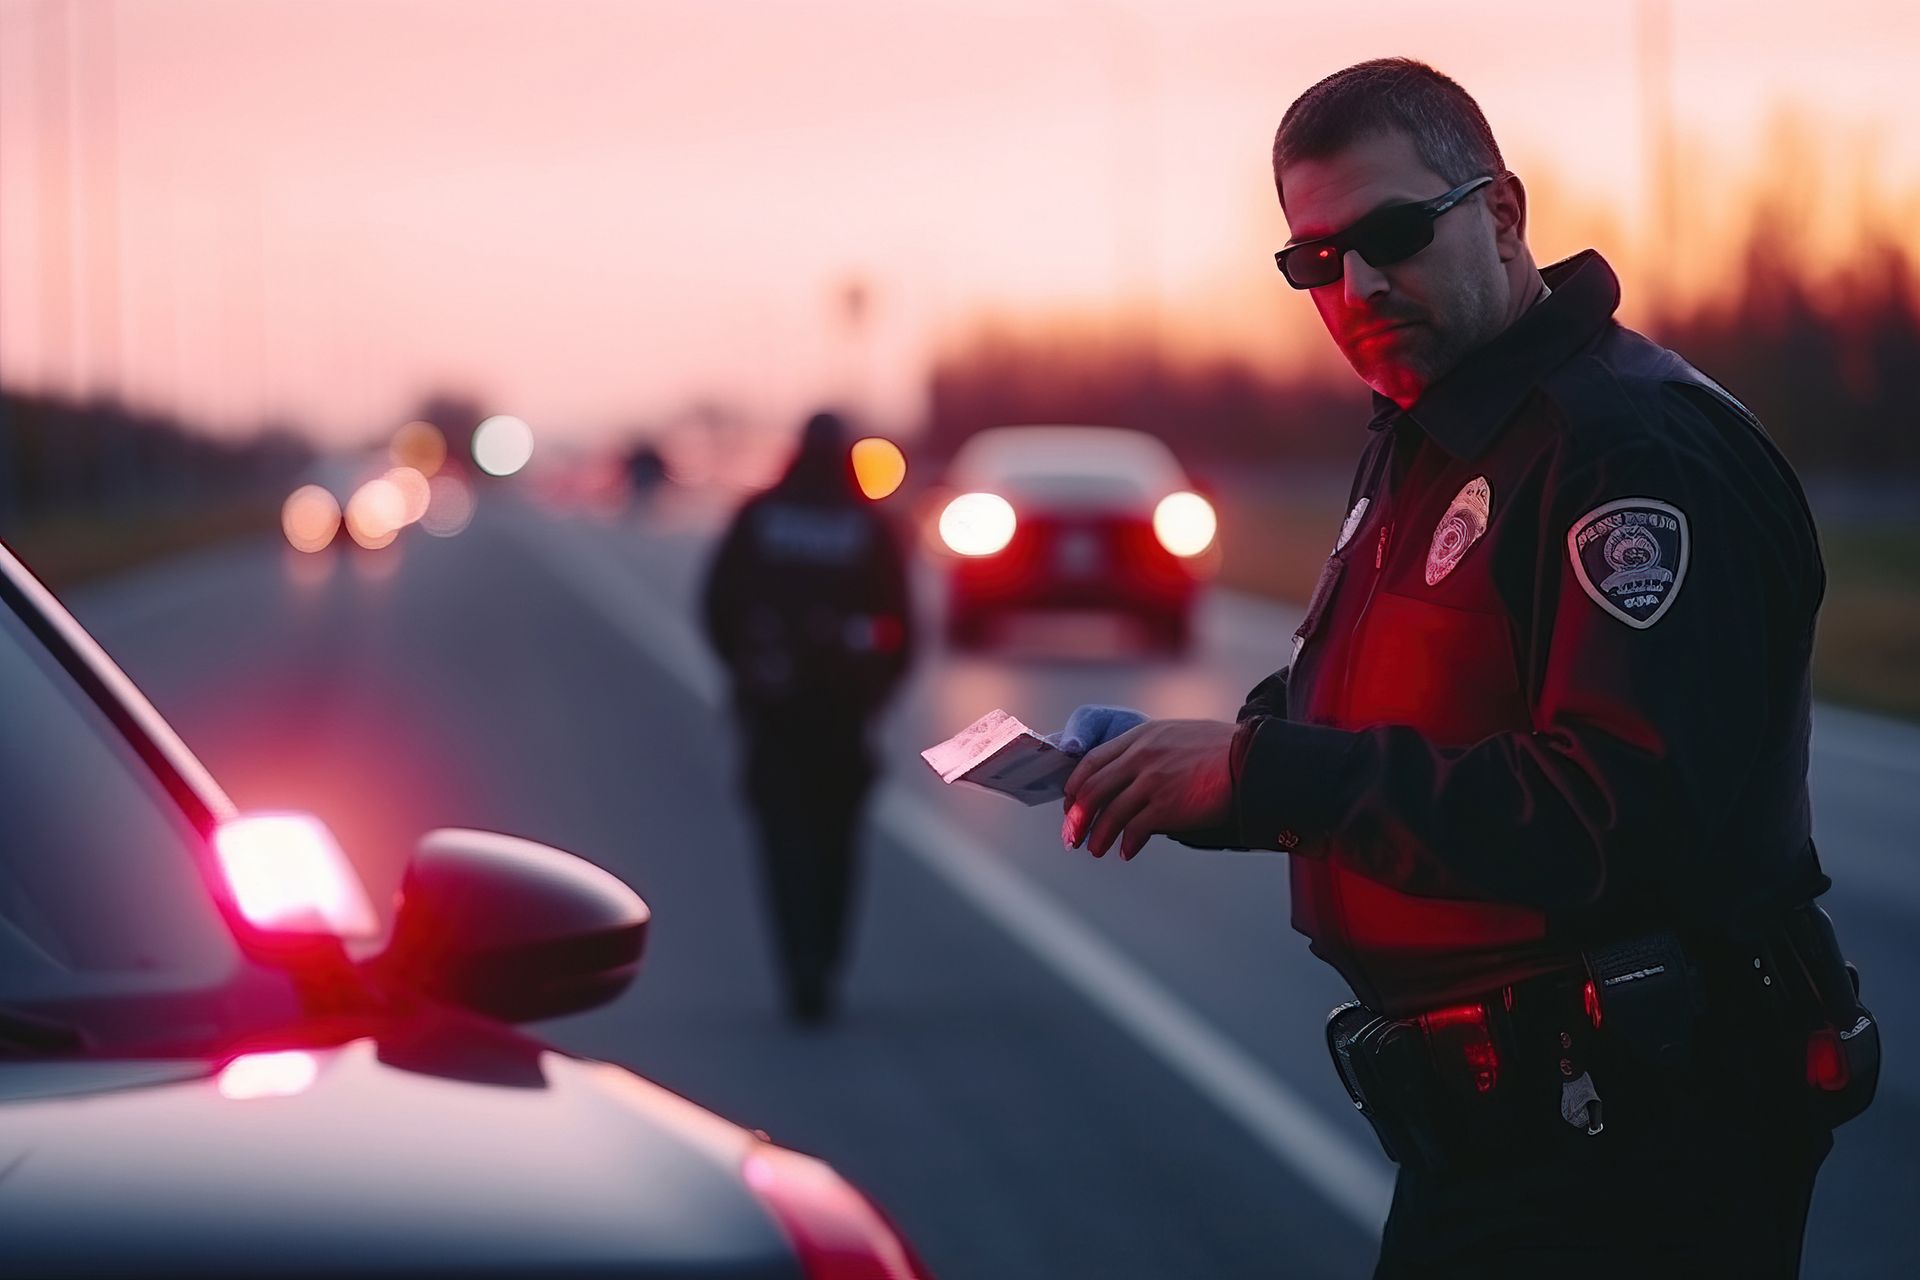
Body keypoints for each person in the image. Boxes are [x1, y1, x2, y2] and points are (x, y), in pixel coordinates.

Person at [1055, 59, 1872, 1277]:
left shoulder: (1624, 450)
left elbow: (1611, 812)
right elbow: (1399, 718)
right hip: (1507, 1139)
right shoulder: (1431, 431)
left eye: (1392, 232)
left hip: (1637, 1146)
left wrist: (1270, 774)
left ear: (1501, 213)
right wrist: (1210, 773)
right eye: (1315, 260)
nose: (1360, 281)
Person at [702, 411, 914, 1025]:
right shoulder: (868, 526)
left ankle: (797, 968)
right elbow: (903, 624)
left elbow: (716, 603)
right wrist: (873, 690)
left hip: (772, 715)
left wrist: (746, 668)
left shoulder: (758, 517)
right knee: (837, 845)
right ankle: (825, 962)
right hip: (843, 719)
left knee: (781, 844)